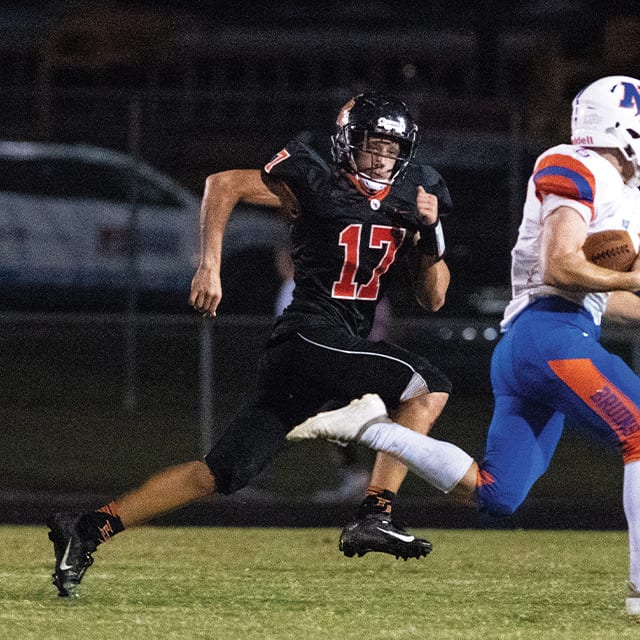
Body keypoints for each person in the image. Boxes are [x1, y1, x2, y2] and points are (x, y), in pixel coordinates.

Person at [46, 91, 457, 597]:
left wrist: (432, 232)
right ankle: (376, 510)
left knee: (221, 472)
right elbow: (223, 185)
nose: (381, 158)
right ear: (349, 141)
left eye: (392, 150)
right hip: (310, 332)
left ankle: (86, 529)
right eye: (374, 145)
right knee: (427, 385)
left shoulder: (415, 194)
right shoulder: (315, 179)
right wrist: (209, 264)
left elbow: (434, 297)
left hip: (328, 345)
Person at [287, 75, 640, 615]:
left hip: (546, 340)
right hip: (548, 337)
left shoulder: (620, 190)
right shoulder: (576, 163)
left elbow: (602, 298)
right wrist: (631, 279)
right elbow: (561, 265)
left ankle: (369, 426)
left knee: (497, 495)